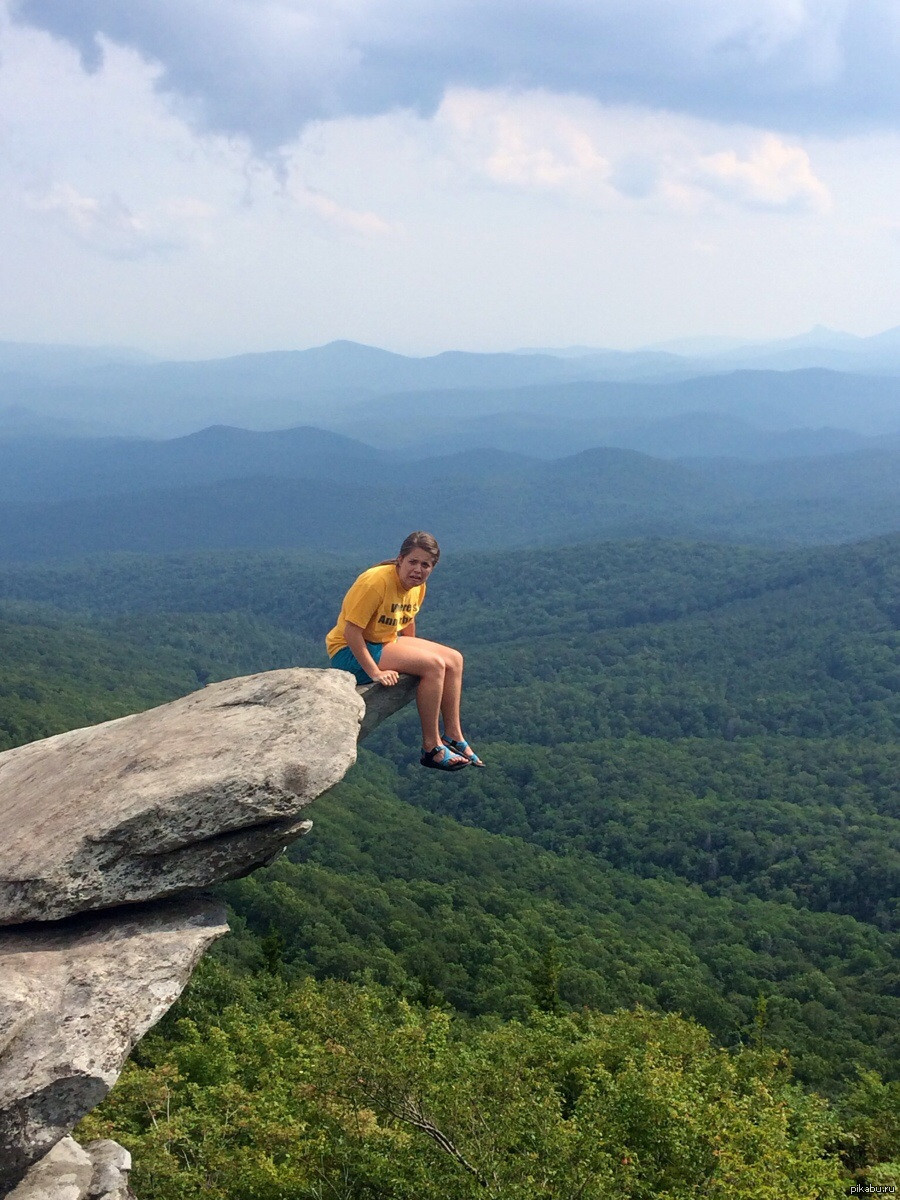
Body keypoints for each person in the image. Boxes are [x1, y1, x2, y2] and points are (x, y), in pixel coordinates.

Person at [325, 531, 484, 772]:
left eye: (425, 565)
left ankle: (453, 735)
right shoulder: (375, 583)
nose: (418, 570)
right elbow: (351, 632)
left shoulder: (417, 587)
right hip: (348, 651)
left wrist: (412, 654)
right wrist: (376, 672)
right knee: (434, 666)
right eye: (413, 562)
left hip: (382, 641)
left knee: (454, 659)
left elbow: (406, 618)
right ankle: (432, 747)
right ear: (400, 559)